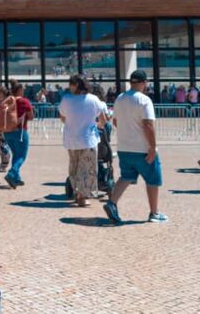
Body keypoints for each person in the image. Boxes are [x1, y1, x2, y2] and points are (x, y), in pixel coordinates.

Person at [103, 70, 168, 224]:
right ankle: (154, 213)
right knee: (153, 180)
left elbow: (116, 122)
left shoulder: (120, 98)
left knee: (126, 177)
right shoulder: (144, 100)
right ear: (144, 83)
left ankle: (112, 203)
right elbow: (148, 125)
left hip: (124, 147)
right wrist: (152, 147)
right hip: (142, 149)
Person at [58, 75, 106, 207]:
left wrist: (72, 123)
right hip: (88, 139)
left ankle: (76, 191)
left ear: (76, 85)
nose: (70, 87)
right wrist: (97, 126)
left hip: (71, 139)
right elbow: (103, 119)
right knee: (87, 168)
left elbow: (62, 116)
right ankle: (82, 196)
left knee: (74, 166)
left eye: (71, 84)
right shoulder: (93, 99)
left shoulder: (66, 99)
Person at [3, 80, 34, 189]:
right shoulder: (24, 102)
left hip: (7, 132)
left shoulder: (7, 101)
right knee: (21, 156)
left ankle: (16, 178)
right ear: (20, 90)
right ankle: (11, 174)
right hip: (20, 131)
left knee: (16, 154)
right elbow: (31, 117)